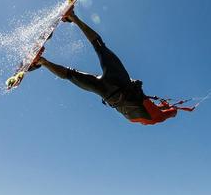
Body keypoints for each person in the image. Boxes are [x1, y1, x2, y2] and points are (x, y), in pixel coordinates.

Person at [31, 7, 192, 125]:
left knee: (100, 47)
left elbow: (171, 112)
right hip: (109, 95)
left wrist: (169, 110)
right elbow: (155, 112)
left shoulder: (157, 116)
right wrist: (164, 107)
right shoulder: (145, 118)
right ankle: (41, 62)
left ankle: (72, 17)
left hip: (120, 82)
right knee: (71, 75)